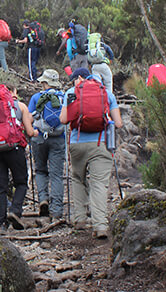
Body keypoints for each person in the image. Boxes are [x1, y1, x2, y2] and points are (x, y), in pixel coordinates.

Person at [59, 68, 123, 239]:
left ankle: (80, 220)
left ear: (80, 77)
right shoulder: (106, 93)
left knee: (78, 179)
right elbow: (118, 123)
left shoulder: (71, 93)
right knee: (98, 184)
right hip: (101, 144)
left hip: (77, 143)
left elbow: (63, 120)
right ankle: (100, 225)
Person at [0, 85, 36, 231]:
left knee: (0, 187)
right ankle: (15, 211)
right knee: (21, 182)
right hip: (15, 148)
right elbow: (29, 132)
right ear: (12, 92)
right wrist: (35, 132)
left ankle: (1, 223)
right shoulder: (20, 106)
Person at [27, 69, 66, 221]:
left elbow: (30, 118)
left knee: (41, 170)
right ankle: (56, 210)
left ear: (45, 83)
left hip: (39, 138)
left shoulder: (37, 97)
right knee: (56, 175)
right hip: (58, 138)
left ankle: (43, 199)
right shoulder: (64, 97)